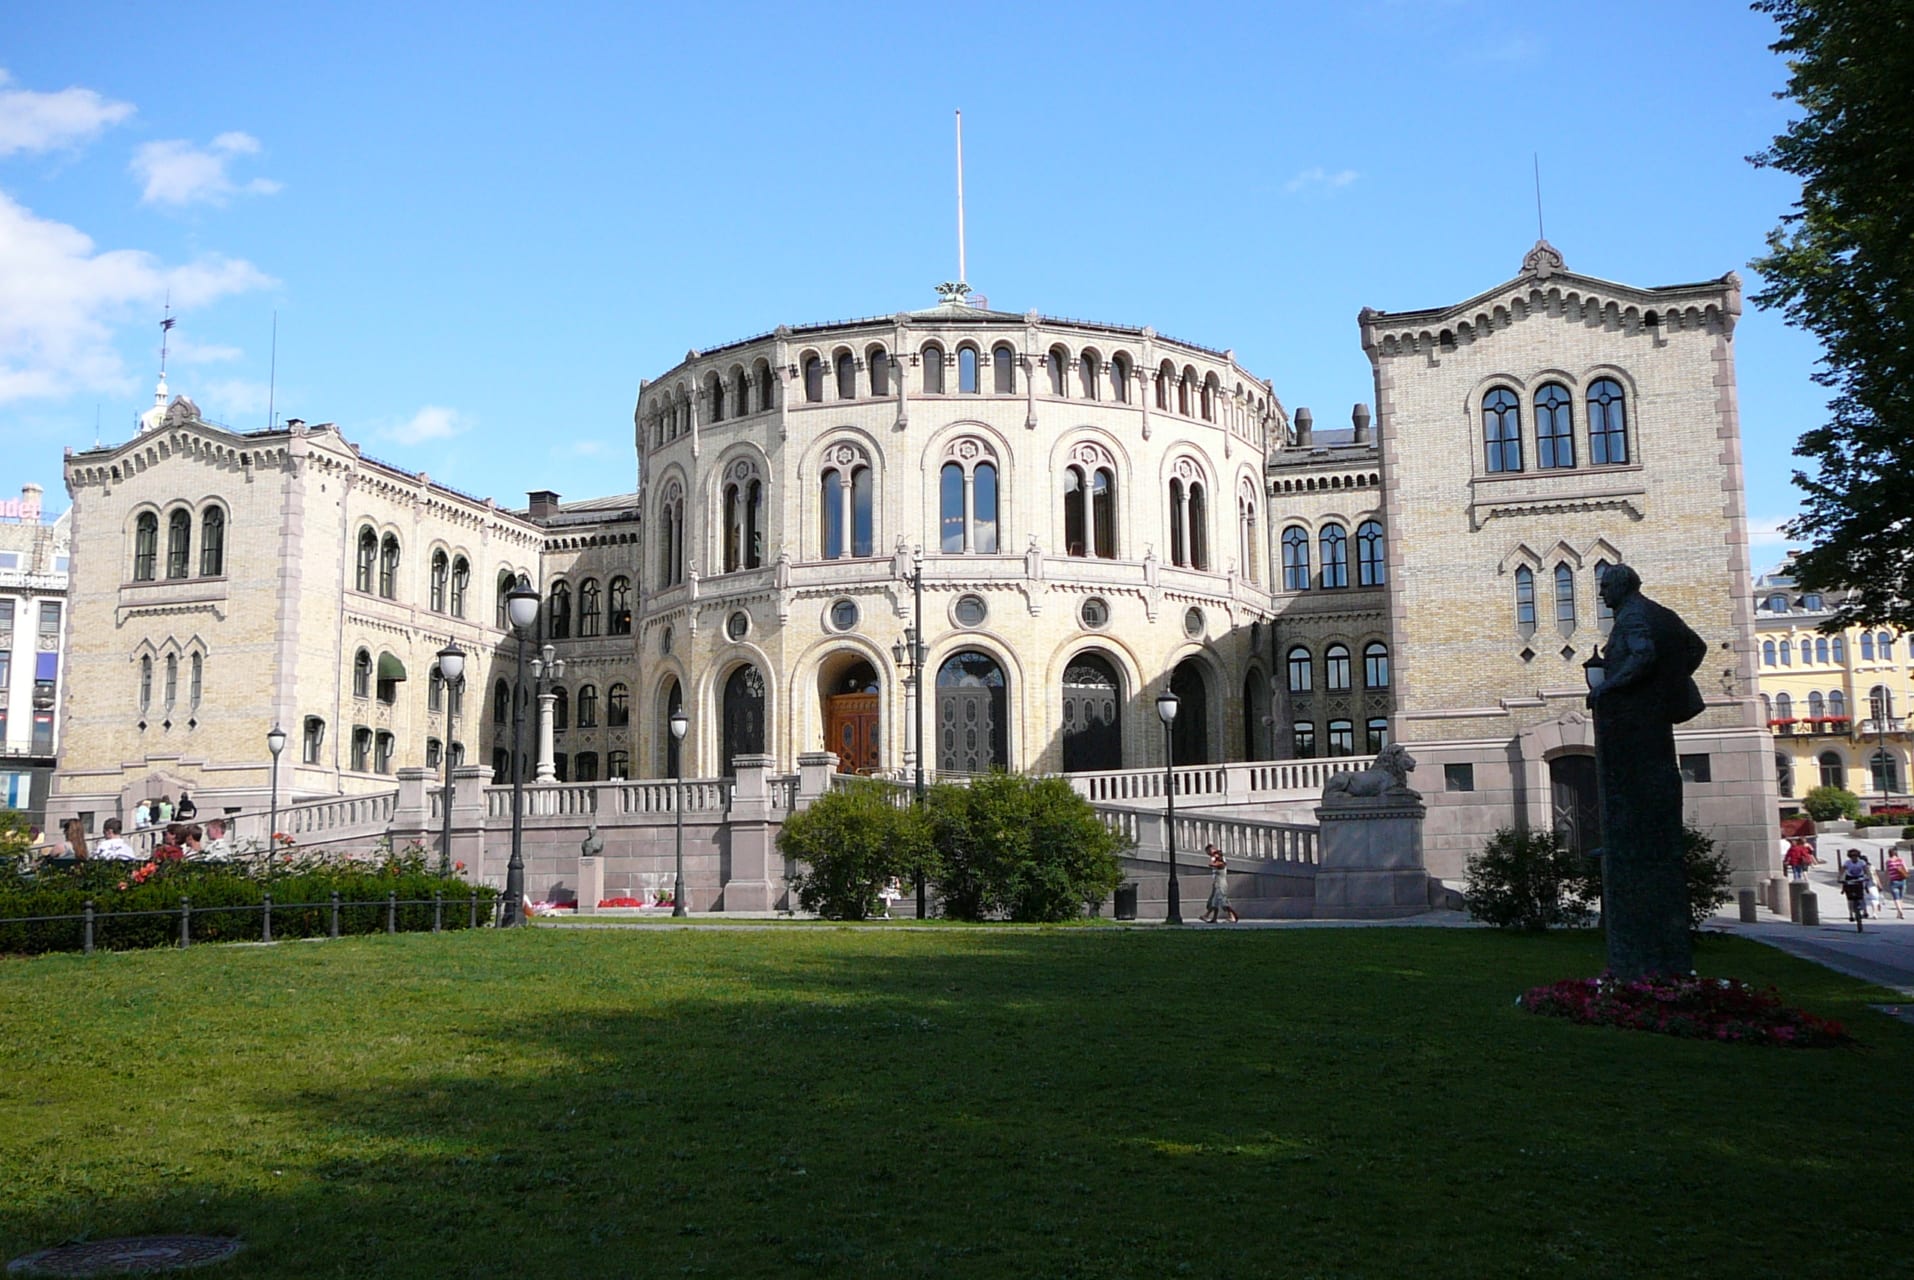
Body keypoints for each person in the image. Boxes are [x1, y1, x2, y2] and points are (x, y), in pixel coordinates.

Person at [1200, 844, 1239, 924]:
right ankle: (1213, 918)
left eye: (1209, 851)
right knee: (1214, 901)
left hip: (1221, 883)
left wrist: (1213, 864)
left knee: (1222, 900)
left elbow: (1222, 865)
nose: (1209, 854)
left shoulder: (1220, 858)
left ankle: (1233, 916)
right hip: (1216, 882)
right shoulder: (1214, 858)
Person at [1841, 850, 1873, 918]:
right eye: (1852, 856)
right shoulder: (1847, 863)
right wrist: (1840, 879)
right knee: (1850, 899)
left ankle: (1865, 911)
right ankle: (1851, 914)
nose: (1854, 858)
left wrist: (1868, 877)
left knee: (1861, 896)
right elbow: (1842, 871)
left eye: (1855, 856)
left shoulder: (1861, 862)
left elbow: (1866, 870)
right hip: (1850, 878)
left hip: (1859, 877)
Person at [1885, 848, 1909, 920]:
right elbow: (1906, 869)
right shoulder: (1901, 860)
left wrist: (1886, 881)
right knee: (1901, 897)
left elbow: (1887, 872)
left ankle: (1899, 911)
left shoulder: (1888, 862)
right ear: (1896, 853)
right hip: (1902, 880)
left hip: (1894, 881)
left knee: (1896, 898)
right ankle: (1900, 912)